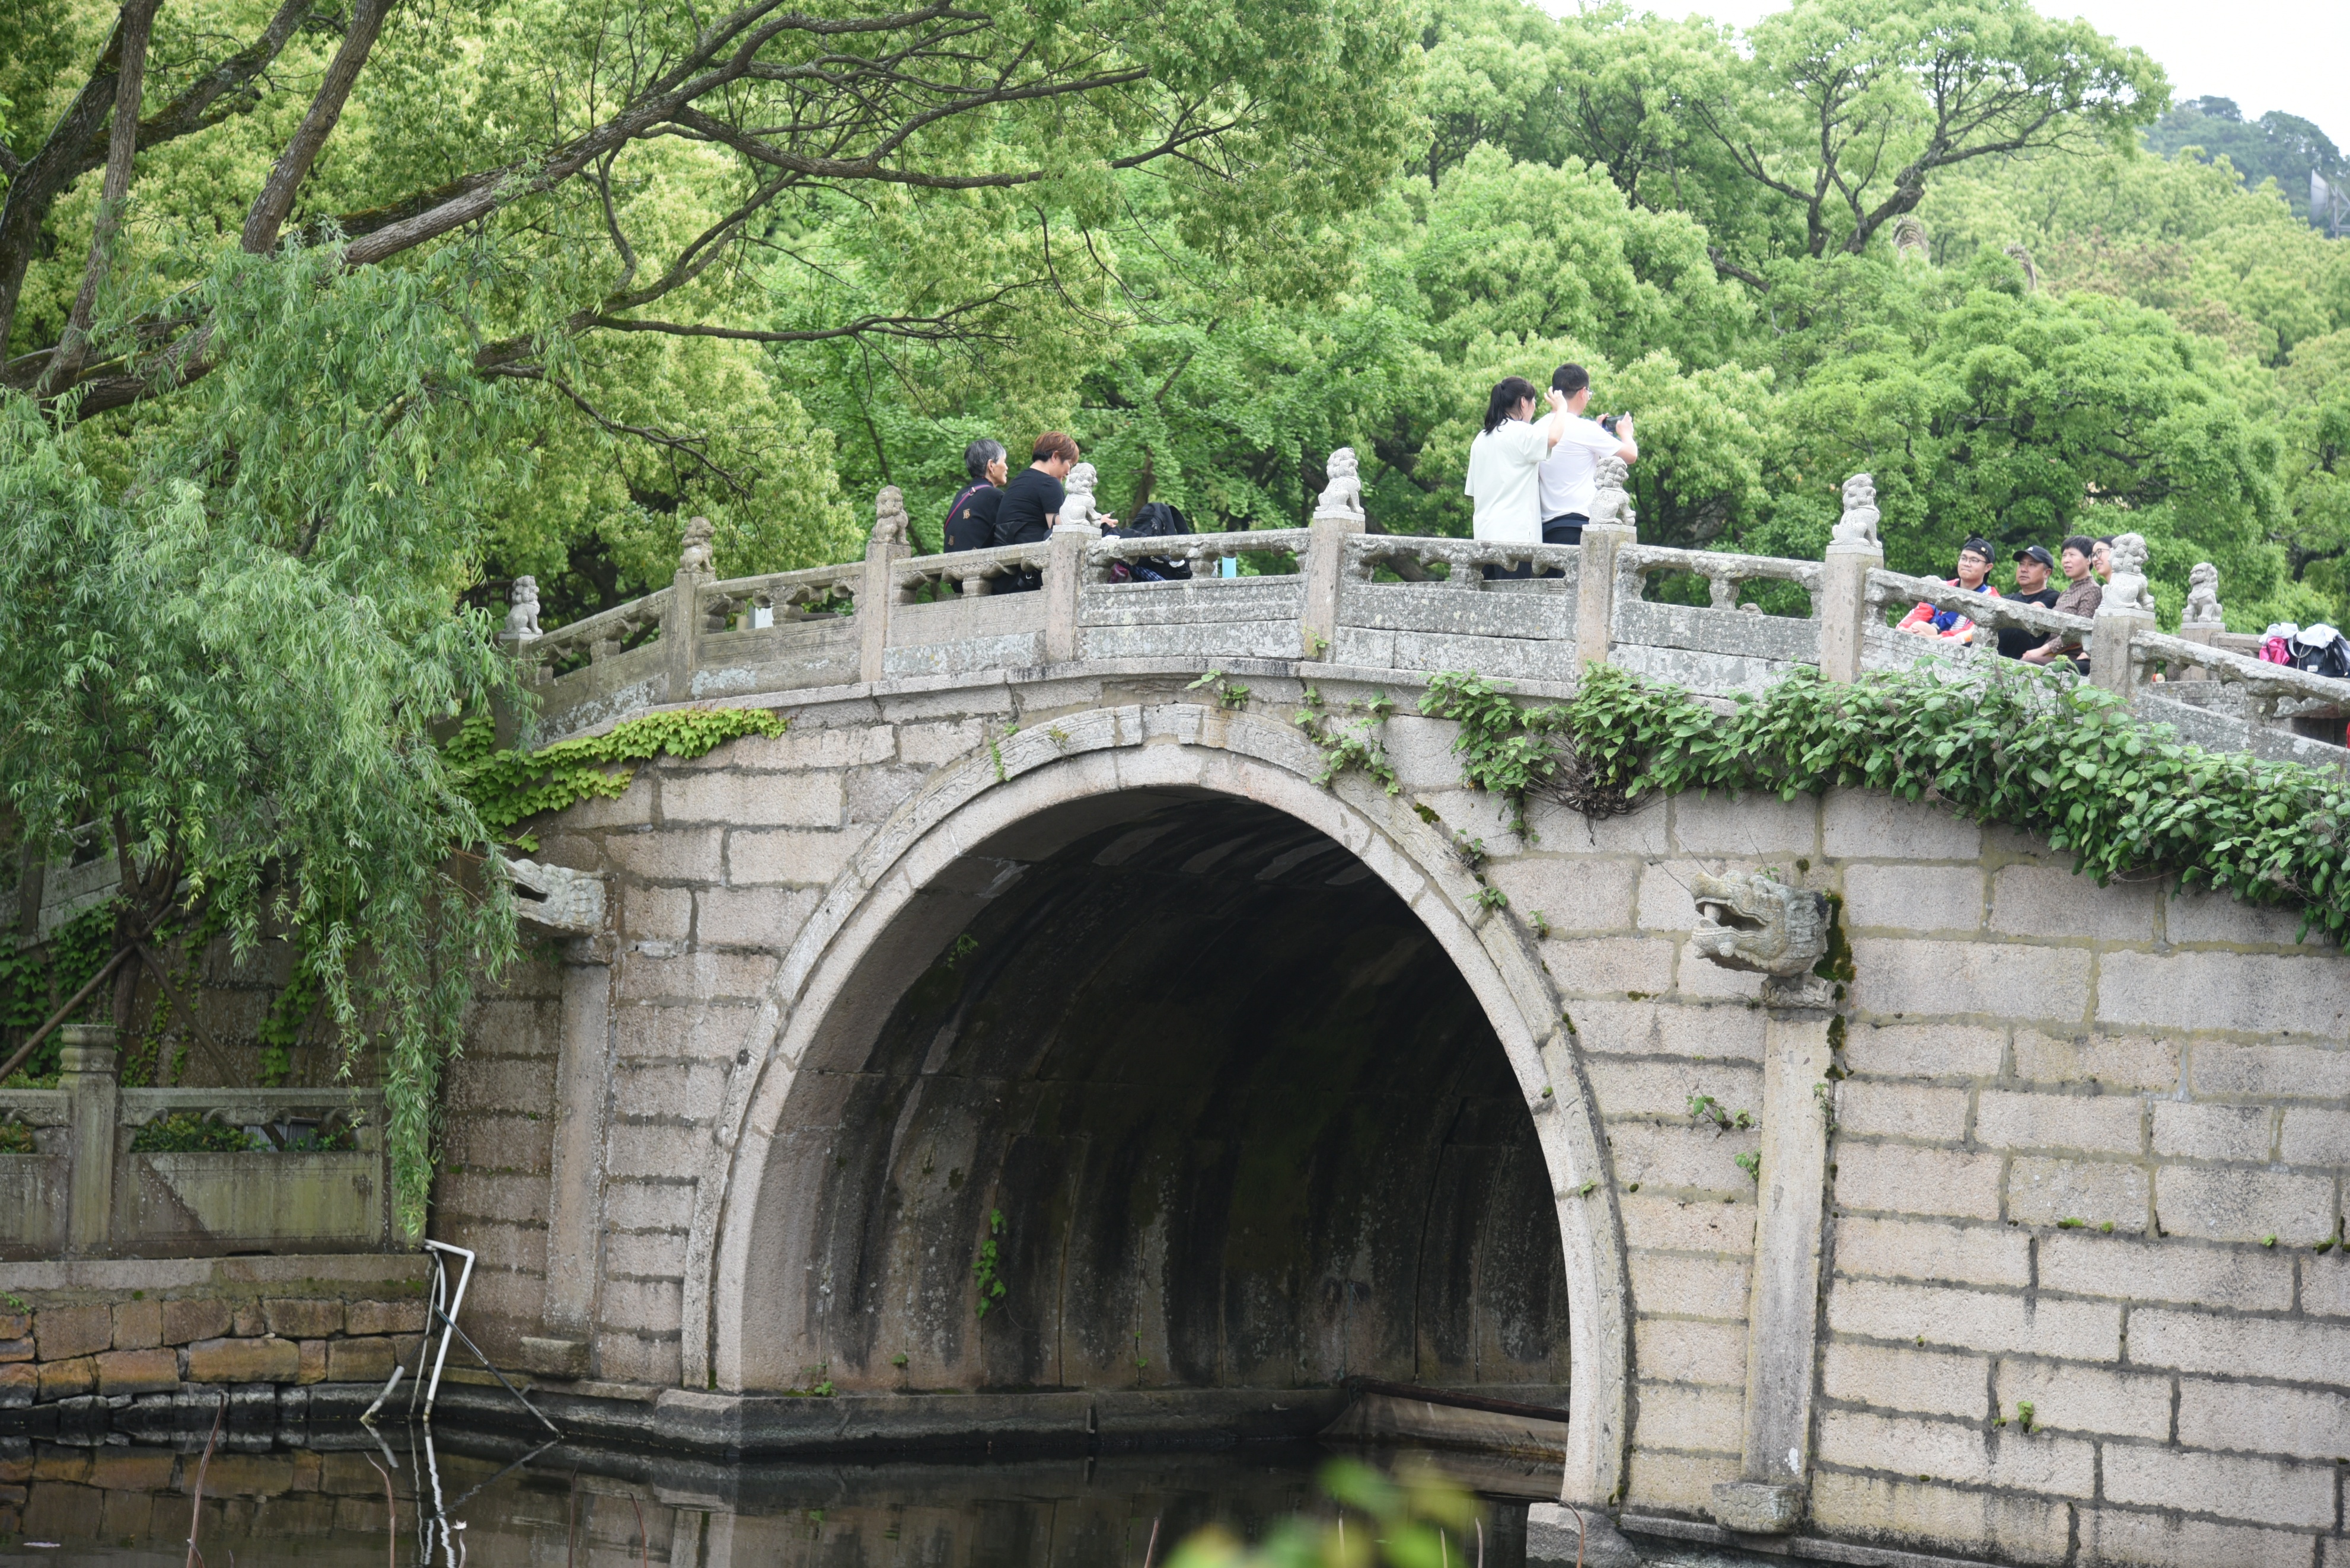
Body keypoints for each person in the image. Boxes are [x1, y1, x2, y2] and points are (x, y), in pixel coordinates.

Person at [1465, 376, 1568, 579]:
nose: (1534, 408)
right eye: (1533, 402)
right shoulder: (1521, 432)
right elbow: (1553, 437)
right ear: (1523, 402)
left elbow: (1473, 491)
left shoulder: (1481, 439)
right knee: (1517, 605)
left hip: (1483, 538)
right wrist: (1562, 408)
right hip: (1515, 540)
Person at [1536, 364, 1637, 549]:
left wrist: (1597, 433)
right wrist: (1626, 433)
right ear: (1583, 392)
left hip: (1544, 529)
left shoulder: (1537, 428)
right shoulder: (1584, 428)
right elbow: (1631, 455)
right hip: (1578, 526)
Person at [990, 432, 1083, 591]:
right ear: (1055, 457)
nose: (1069, 472)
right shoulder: (1050, 483)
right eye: (1070, 463)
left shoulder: (1018, 481)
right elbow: (1060, 528)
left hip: (1006, 575)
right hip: (1028, 574)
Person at [2021, 535, 2103, 670]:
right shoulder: (2067, 591)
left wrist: (2041, 651)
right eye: (2064, 556)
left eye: (2072, 555)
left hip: (2070, 655)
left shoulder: (2092, 590)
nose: (2066, 561)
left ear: (2089, 559)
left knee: (2028, 666)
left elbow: (2079, 633)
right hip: (2053, 653)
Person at [1898, 537, 2000, 642]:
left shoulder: (1991, 598)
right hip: (1930, 633)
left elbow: (1972, 633)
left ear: (1988, 567)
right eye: (1963, 558)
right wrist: (1904, 628)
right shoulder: (1942, 586)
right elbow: (1920, 612)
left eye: (1974, 560)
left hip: (1962, 646)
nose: (1967, 564)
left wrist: (1934, 639)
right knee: (1917, 626)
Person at [1995, 545, 2061, 659]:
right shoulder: (2008, 598)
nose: (2023, 569)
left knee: (2018, 628)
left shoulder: (2053, 597)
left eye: (2032, 565)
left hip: (2026, 661)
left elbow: (2028, 613)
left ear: (2047, 573)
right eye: (2021, 564)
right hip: (1997, 655)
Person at [943, 439, 1008, 553]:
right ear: (991, 465)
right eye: (1004, 461)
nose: (1007, 468)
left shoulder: (961, 495)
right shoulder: (994, 496)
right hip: (977, 568)